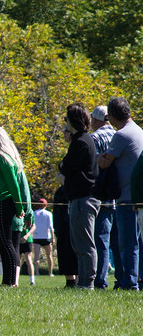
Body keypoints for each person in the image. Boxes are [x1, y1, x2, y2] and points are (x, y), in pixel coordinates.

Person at [97, 97, 143, 290]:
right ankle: (139, 279)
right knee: (138, 242)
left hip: (126, 197)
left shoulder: (121, 135)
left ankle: (129, 282)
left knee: (128, 242)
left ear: (113, 116)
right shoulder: (139, 131)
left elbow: (105, 162)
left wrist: (94, 155)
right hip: (138, 196)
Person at [60, 104, 100, 288]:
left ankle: (87, 283)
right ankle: (82, 283)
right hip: (78, 198)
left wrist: (63, 171)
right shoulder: (79, 141)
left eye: (66, 119)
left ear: (73, 120)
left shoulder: (82, 142)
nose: (65, 123)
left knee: (85, 244)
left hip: (84, 199)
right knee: (78, 244)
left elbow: (66, 166)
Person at [0, 126, 29, 287]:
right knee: (0, 243)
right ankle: (7, 281)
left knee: (6, 242)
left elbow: (13, 185)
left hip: (3, 204)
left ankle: (10, 281)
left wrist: (19, 207)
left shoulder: (4, 159)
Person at [91, 105, 117, 288]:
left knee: (101, 241)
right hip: (119, 196)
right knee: (119, 243)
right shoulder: (118, 135)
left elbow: (93, 168)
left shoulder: (95, 138)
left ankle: (100, 280)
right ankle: (124, 278)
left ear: (95, 120)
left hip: (102, 197)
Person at [33, 197, 55, 276]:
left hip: (36, 236)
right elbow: (51, 226)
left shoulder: (34, 213)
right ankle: (50, 273)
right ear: (46, 205)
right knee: (49, 255)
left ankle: (37, 273)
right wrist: (53, 237)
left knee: (36, 257)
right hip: (46, 237)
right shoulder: (48, 214)